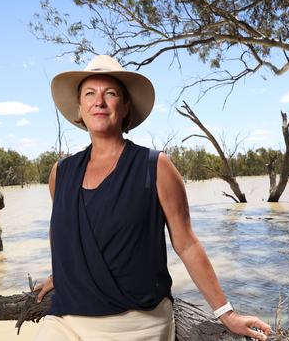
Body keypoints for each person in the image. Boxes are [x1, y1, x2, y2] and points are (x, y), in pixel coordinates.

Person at [33, 55, 271, 341]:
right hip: (65, 320)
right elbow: (64, 230)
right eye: (90, 94)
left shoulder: (155, 166)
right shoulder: (61, 172)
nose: (100, 102)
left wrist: (227, 313)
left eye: (110, 94)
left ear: (125, 107)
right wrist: (62, 274)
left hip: (136, 322)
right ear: (80, 109)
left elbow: (186, 244)